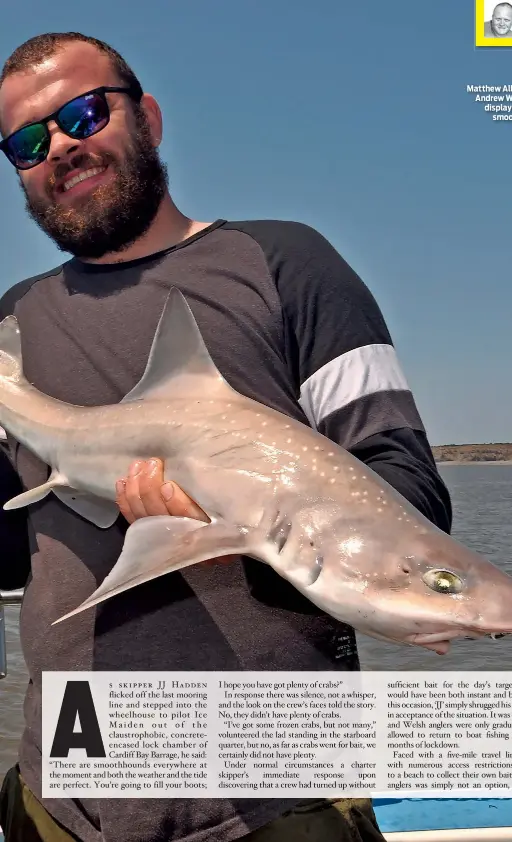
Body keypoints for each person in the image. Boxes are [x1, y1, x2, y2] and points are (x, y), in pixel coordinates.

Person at [0, 31, 452, 842]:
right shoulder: (12, 328)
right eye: (28, 142)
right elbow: (9, 554)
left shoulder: (285, 263)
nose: (61, 145)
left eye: (83, 112)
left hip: (271, 801)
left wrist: (240, 531)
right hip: (64, 798)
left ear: (151, 118)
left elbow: (406, 485)